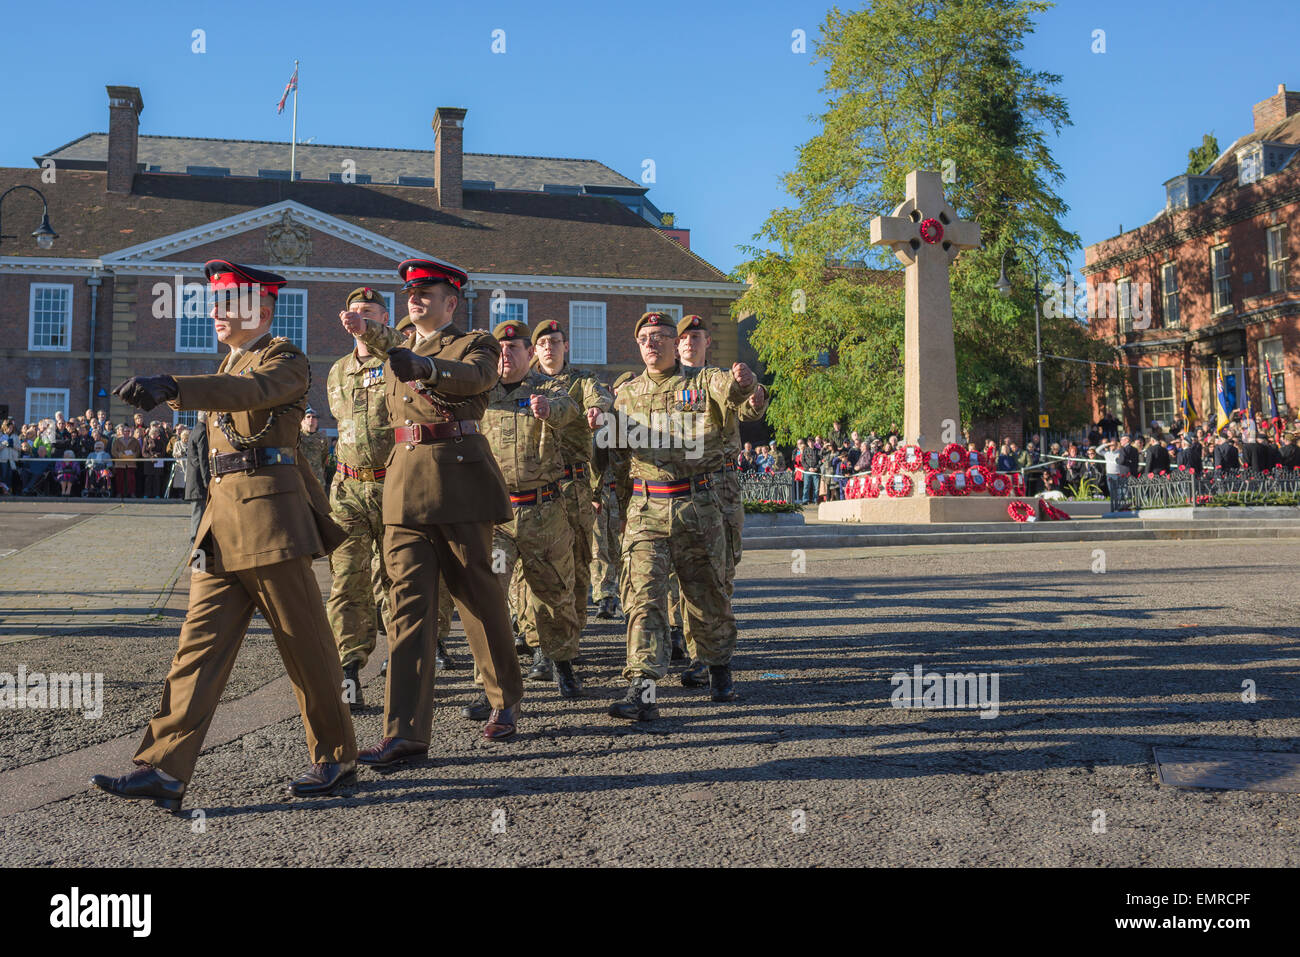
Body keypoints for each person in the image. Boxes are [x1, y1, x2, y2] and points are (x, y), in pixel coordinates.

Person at [92, 259, 357, 808]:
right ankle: (163, 769)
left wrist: (171, 385)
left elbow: (249, 392)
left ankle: (336, 756)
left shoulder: (285, 358)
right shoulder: (230, 361)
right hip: (222, 526)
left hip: (270, 521)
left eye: (228, 303)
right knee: (196, 650)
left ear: (260, 309)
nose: (215, 311)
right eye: (213, 302)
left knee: (304, 647)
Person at [345, 256, 524, 763]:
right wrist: (367, 329)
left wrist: (428, 367)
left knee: (477, 596)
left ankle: (504, 698)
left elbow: (476, 379)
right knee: (406, 610)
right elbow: (380, 355)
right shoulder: (397, 347)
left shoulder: (476, 343)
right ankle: (405, 733)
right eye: (411, 293)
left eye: (427, 292)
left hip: (458, 476)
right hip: (403, 484)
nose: (416, 299)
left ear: (452, 302)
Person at [605, 311, 756, 720]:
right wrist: (620, 510)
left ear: (676, 343)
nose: (652, 344)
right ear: (638, 346)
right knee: (643, 599)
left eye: (661, 337)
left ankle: (719, 669)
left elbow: (734, 392)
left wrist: (745, 384)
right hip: (645, 508)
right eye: (645, 338)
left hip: (698, 505)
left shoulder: (702, 382)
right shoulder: (626, 395)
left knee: (706, 594)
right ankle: (644, 688)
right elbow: (618, 461)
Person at [476, 318, 584, 703]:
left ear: (528, 353)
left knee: (554, 594)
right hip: (496, 517)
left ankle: (564, 666)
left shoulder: (548, 386)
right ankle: (491, 685)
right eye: (499, 350)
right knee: (488, 597)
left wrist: (548, 410)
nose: (506, 355)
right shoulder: (481, 394)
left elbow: (570, 407)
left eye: (514, 348)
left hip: (544, 513)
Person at [323, 287, 409, 711]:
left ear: (384, 318)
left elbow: (404, 346)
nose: (356, 317)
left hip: (394, 486)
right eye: (353, 311)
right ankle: (349, 671)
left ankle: (403, 663)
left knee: (397, 581)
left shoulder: (399, 361)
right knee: (347, 581)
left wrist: (373, 332)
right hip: (348, 490)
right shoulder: (337, 370)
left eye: (369, 312)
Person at [528, 319, 614, 671]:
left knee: (577, 565)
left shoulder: (582, 381)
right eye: (543, 342)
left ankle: (570, 639)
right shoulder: (525, 383)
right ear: (535, 351)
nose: (549, 347)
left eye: (555, 341)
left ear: (566, 347)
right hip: (534, 489)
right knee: (535, 569)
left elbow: (602, 397)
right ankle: (538, 645)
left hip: (573, 486)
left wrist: (599, 409)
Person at [298, 409, 332, 494]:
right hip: (301, 476)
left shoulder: (322, 438)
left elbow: (324, 456)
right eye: (308, 416)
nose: (311, 419)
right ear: (303, 420)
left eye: (314, 417)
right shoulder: (297, 436)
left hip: (317, 477)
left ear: (316, 421)